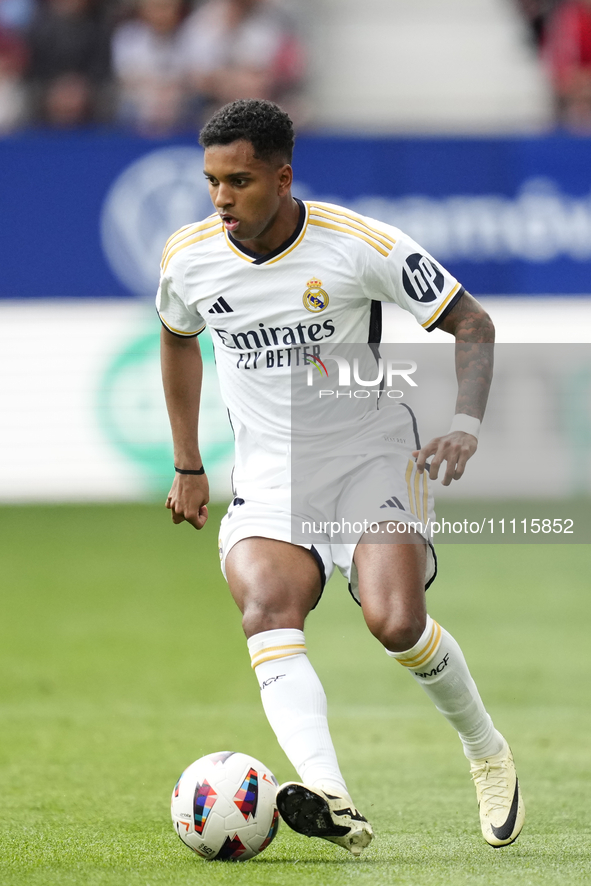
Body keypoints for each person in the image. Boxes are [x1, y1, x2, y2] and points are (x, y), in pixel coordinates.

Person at [157, 98, 525, 856]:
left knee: (394, 622)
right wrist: (187, 462)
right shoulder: (189, 257)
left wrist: (465, 424)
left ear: (282, 176)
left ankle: (486, 750)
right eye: (211, 182)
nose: (222, 199)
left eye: (240, 181)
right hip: (270, 476)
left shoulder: (358, 245)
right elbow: (177, 339)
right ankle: (330, 795)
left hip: (372, 458)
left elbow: (472, 323)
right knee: (266, 608)